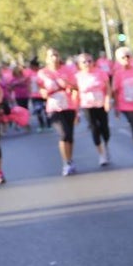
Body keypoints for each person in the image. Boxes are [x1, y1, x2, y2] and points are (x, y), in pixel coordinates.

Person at [38, 48, 80, 176]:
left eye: (56, 55)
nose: (54, 58)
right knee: (64, 134)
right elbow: (41, 89)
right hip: (54, 107)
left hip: (68, 105)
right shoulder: (43, 73)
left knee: (70, 136)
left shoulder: (67, 70)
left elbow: (76, 87)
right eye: (51, 56)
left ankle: (70, 160)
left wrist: (67, 83)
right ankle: (65, 162)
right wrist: (44, 93)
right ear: (47, 59)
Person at [75, 53, 113, 166]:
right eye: (84, 62)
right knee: (94, 128)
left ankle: (106, 144)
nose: (87, 64)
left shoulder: (100, 73)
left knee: (104, 128)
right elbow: (75, 93)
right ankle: (101, 153)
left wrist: (108, 100)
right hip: (87, 105)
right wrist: (76, 111)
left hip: (101, 103)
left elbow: (108, 88)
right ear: (79, 65)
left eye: (89, 61)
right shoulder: (77, 77)